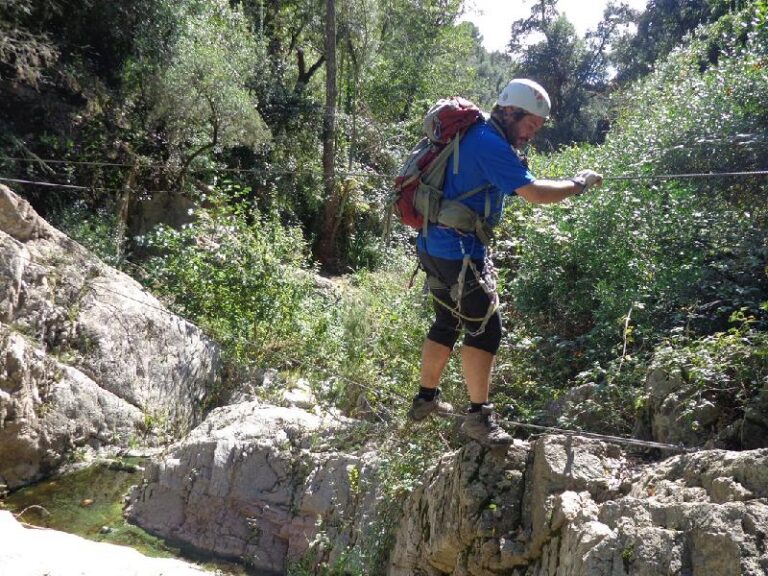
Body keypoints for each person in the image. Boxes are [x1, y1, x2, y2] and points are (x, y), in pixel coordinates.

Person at [407, 78, 603, 446]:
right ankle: (478, 418)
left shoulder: (474, 133)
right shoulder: (489, 144)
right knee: (486, 330)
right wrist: (578, 183)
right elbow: (535, 193)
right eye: (530, 125)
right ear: (511, 112)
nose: (532, 134)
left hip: (432, 245)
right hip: (459, 252)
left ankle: (425, 399)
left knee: (446, 321)